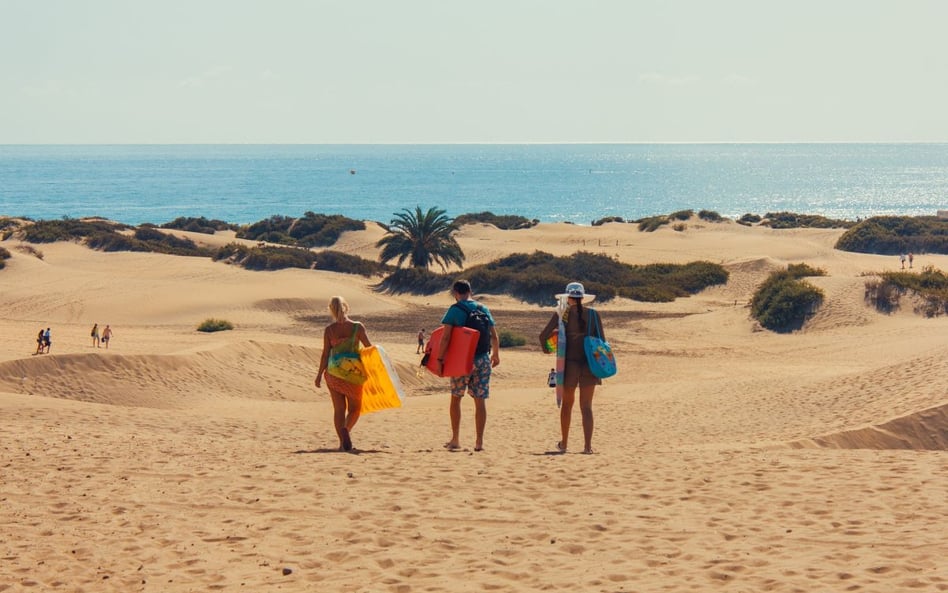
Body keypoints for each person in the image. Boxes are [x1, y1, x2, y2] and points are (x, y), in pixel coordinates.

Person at [538, 282, 604, 454]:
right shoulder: (594, 315)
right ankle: (588, 447)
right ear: (582, 298)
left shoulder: (562, 315)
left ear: (568, 298)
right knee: (587, 406)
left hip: (569, 366)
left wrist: (548, 349)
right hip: (589, 365)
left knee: (567, 405)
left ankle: (564, 444)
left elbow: (543, 336)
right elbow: (602, 341)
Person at [436, 279, 500, 452]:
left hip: (462, 362)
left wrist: (440, 359)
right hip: (483, 360)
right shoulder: (483, 308)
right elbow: (494, 335)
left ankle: (455, 439)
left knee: (456, 398)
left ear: (456, 293)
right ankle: (479, 442)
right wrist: (496, 354)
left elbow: (446, 337)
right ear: (470, 291)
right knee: (480, 401)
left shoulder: (455, 310)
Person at [314, 296, 372, 452]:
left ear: (331, 310)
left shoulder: (329, 330)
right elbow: (369, 349)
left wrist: (319, 375)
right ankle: (346, 428)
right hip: (354, 374)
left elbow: (325, 354)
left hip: (333, 374)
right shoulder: (357, 327)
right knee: (355, 409)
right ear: (346, 307)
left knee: (339, 410)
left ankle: (341, 443)